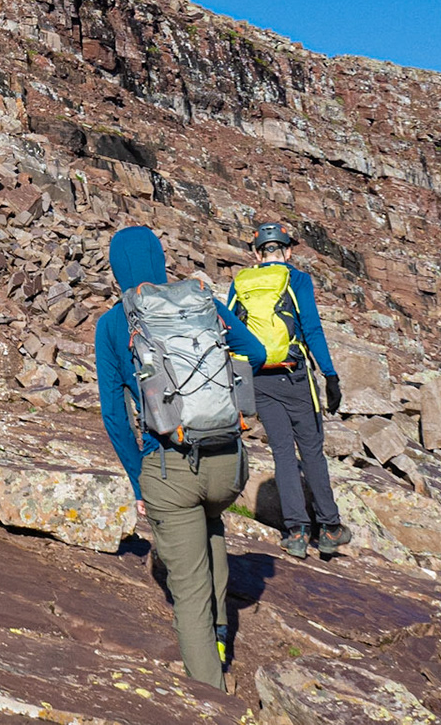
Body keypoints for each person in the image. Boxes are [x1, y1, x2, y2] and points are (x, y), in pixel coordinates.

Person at [96, 225, 268, 691]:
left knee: (188, 589)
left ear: (117, 269)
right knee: (211, 526)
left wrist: (139, 484)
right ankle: (219, 634)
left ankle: (210, 692)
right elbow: (256, 351)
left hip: (170, 465)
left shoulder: (114, 323)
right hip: (228, 462)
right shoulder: (199, 303)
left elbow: (114, 416)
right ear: (159, 259)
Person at [226, 222, 350, 559]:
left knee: (282, 452)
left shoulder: (241, 283)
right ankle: (329, 528)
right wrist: (330, 374)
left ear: (256, 253)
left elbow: (229, 329)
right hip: (295, 377)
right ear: (288, 250)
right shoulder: (297, 280)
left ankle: (296, 532)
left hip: (259, 379)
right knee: (310, 451)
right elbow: (312, 329)